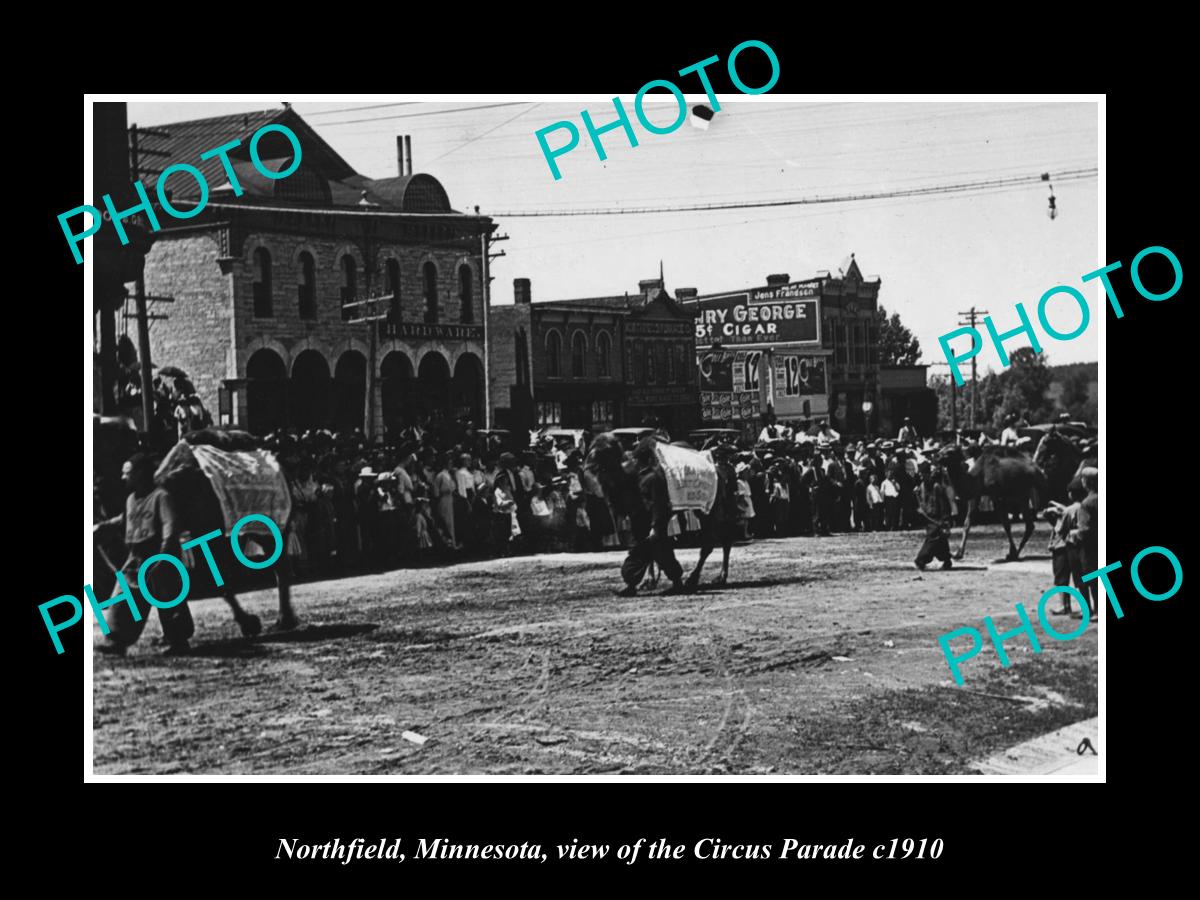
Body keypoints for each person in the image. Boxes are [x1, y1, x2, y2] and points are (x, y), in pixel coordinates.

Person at [93, 453, 195, 655]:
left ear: (140, 474)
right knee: (123, 598)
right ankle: (117, 641)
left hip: (158, 555)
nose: (123, 478)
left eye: (127, 473)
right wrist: (102, 526)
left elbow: (170, 527)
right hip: (135, 557)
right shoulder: (131, 499)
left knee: (168, 600)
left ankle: (178, 641)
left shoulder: (161, 497)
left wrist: (164, 558)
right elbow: (125, 519)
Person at [617, 439, 685, 597]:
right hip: (639, 524)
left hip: (652, 524)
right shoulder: (639, 478)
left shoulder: (654, 478)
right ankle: (631, 585)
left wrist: (655, 526)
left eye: (637, 459)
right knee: (636, 555)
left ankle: (677, 583)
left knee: (664, 555)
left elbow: (658, 504)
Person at [1044, 486, 1085, 616]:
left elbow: (1059, 529)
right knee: (1080, 578)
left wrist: (1054, 516)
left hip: (1062, 545)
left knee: (1061, 577)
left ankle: (1064, 605)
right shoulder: (1083, 507)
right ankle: (1087, 606)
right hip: (1077, 546)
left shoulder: (1069, 510)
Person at [1067, 467, 1099, 618]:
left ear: (1086, 482)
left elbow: (1084, 530)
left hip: (1089, 546)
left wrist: (1074, 534)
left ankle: (1096, 610)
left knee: (1091, 577)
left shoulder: (1087, 503)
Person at [914, 462, 954, 571]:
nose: (921, 477)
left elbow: (943, 505)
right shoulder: (921, 487)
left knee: (933, 538)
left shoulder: (937, 487)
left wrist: (945, 521)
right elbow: (922, 504)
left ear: (928, 474)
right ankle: (946, 559)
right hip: (928, 518)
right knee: (939, 541)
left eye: (923, 474)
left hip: (937, 519)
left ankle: (921, 559)